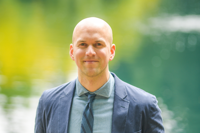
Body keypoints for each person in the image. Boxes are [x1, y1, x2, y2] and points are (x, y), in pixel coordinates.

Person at [34, 17, 164, 133]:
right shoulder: (48, 102)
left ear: (111, 51)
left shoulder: (144, 105)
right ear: (72, 52)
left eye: (98, 44)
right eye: (83, 44)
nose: (90, 52)